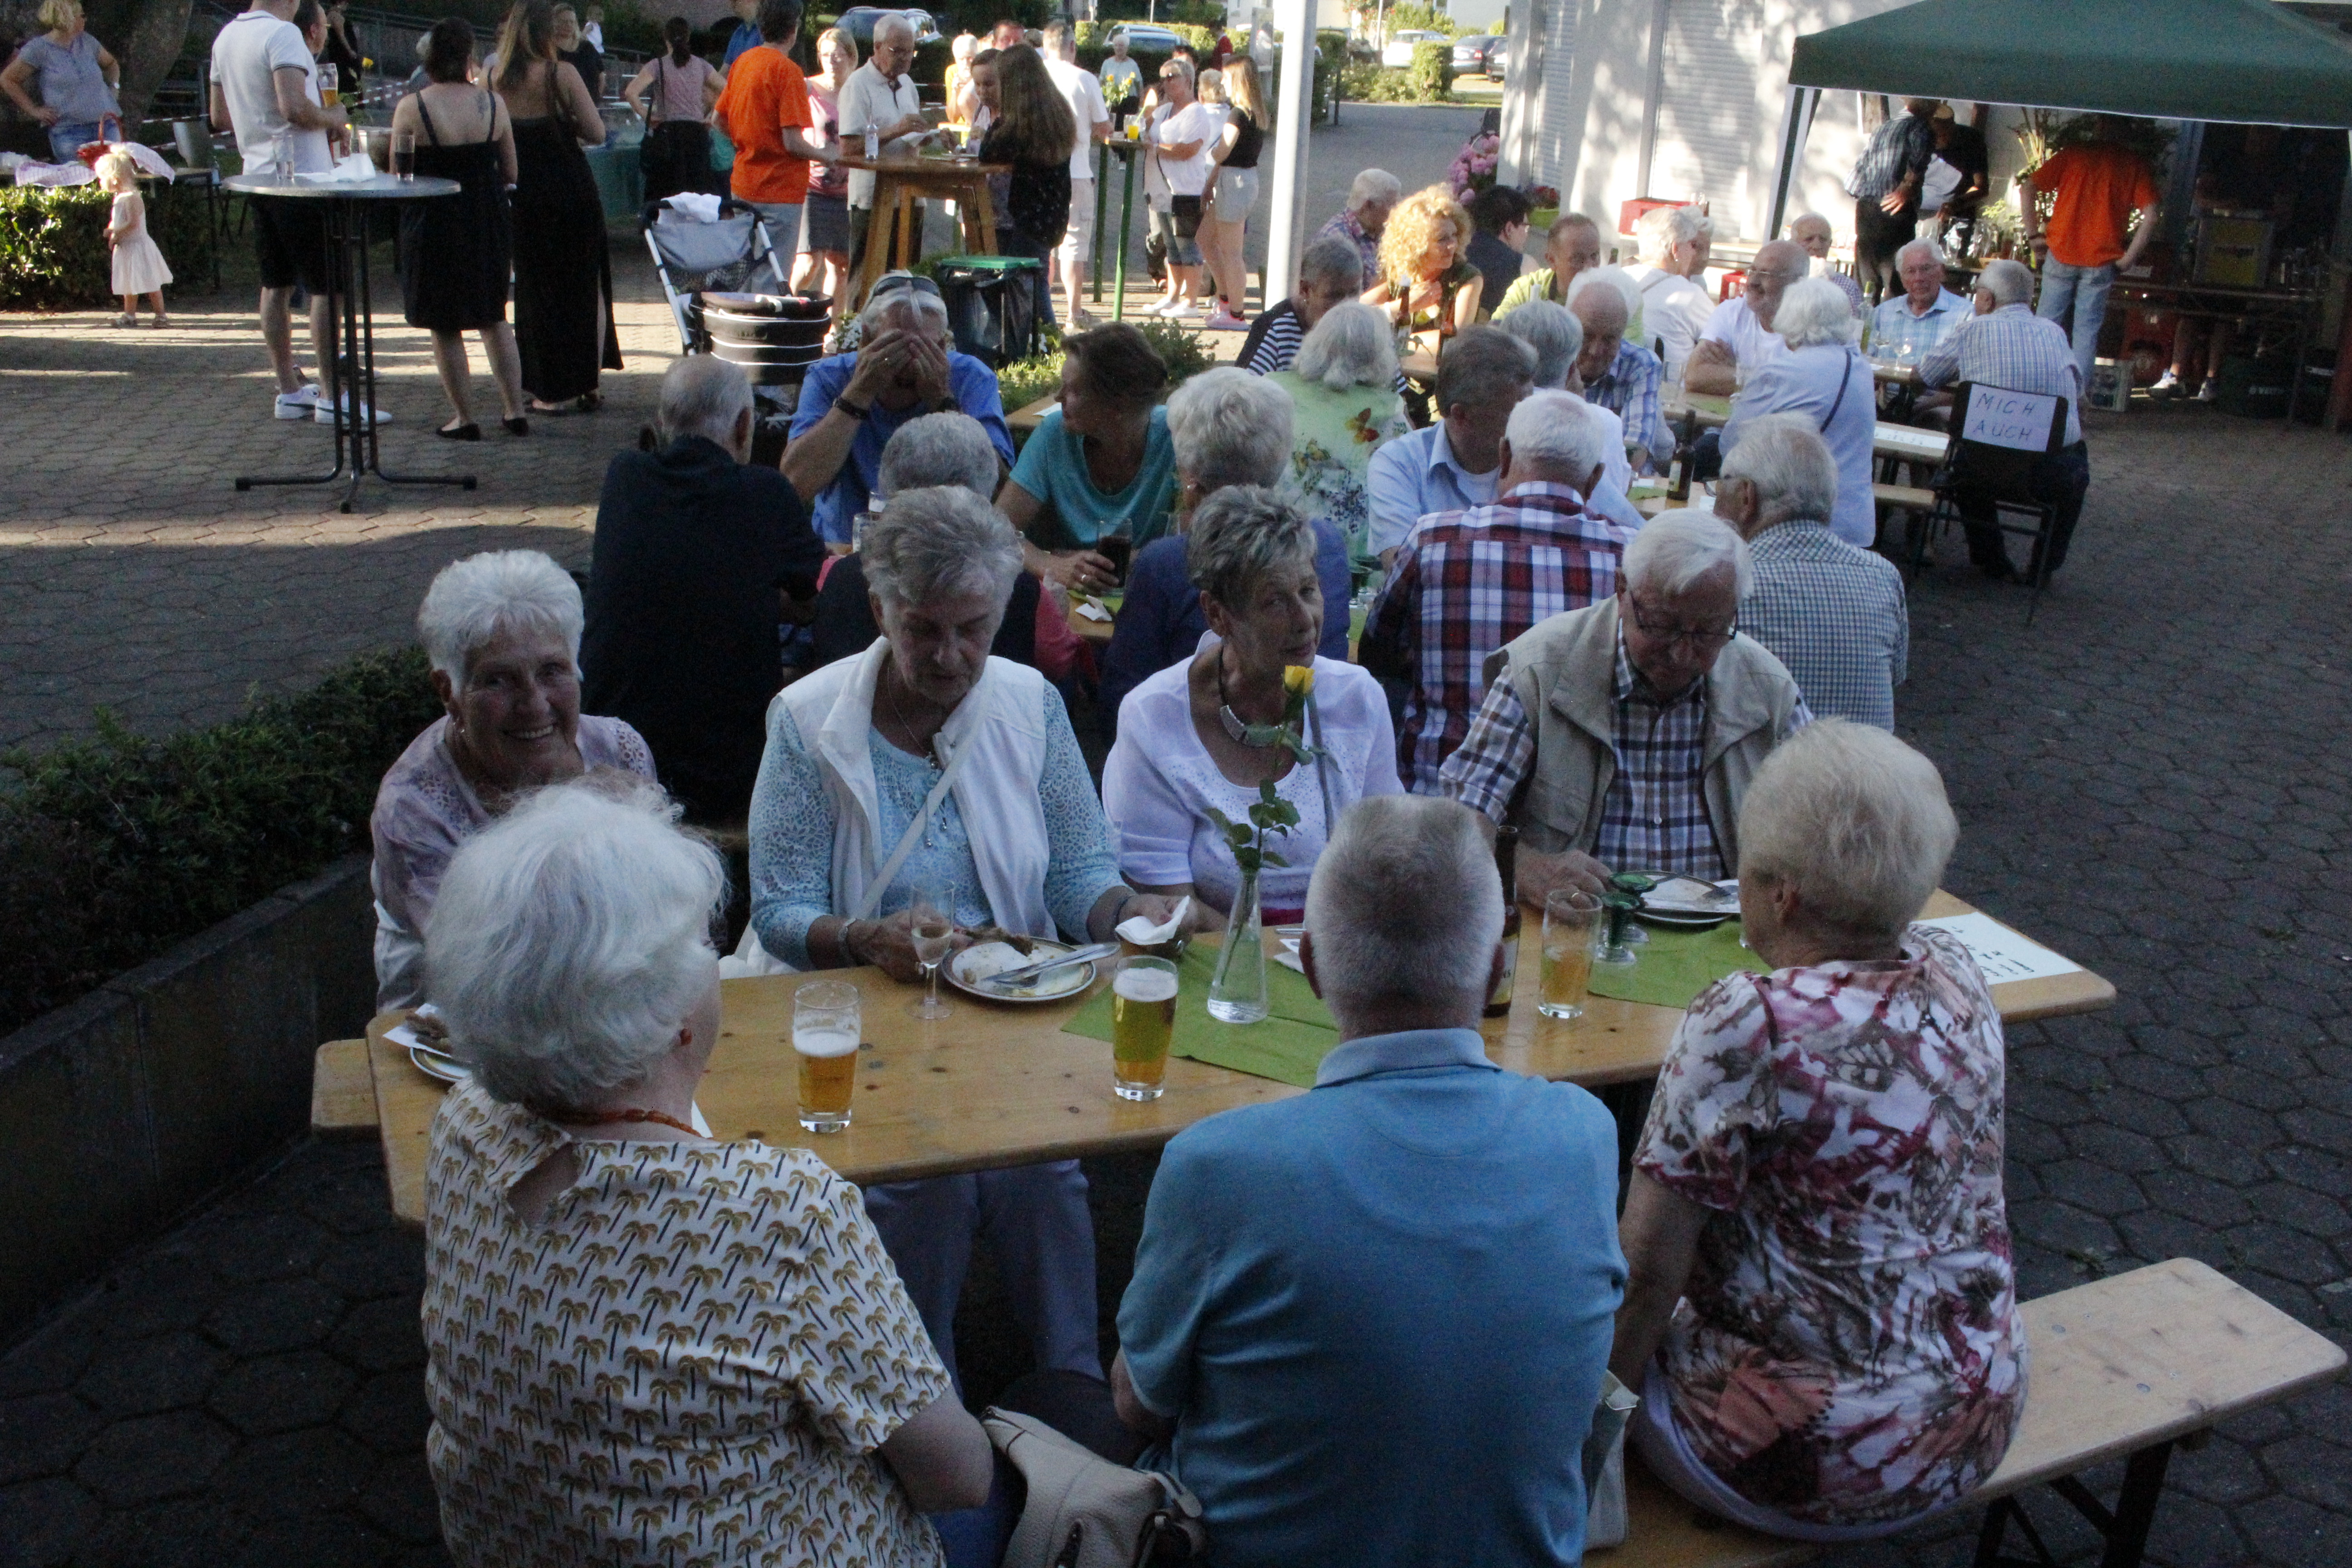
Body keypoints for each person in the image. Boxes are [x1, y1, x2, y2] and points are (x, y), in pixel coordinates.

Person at [418, 781, 994, 1567]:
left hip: (522, 1546)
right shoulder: (775, 1215)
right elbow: (956, 1477)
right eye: (699, 946)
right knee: (1036, 1474)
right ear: (669, 1007)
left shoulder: (462, 1130)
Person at [1113, 792, 1626, 1565]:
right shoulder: (1582, 1134)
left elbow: (1138, 1405)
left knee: (1050, 1400)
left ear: (1312, 967)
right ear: (1493, 971)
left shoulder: (1218, 1166)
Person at [745, 489, 1185, 1391]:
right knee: (924, 1184)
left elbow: (1076, 875)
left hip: (1006, 1015)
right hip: (861, 1027)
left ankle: (1072, 1384)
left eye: (973, 629)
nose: (950, 656)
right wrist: (868, 937)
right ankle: (921, 1389)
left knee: (1046, 1173)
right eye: (923, 630)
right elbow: (778, 911)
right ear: (879, 613)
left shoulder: (1030, 704)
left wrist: (1132, 918)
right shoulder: (807, 720)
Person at [1612, 720, 2022, 1539]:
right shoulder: (1958, 972)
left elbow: (1649, 1272)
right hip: (1975, 1413)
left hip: (1809, 1459)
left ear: (1779, 893)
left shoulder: (1746, 1021)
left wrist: (1585, 1431)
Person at [1440, 510, 1810, 908]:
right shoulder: (1543, 670)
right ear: (1621, 589)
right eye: (1662, 626)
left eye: (1707, 631)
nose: (1683, 654)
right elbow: (1462, 816)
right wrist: (1523, 867)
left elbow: (1820, 825)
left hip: (1723, 936)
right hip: (1578, 926)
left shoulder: (1767, 688)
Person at [369, 550, 657, 1009]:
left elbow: (676, 919)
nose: (535, 703)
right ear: (450, 693)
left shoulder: (619, 750)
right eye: (499, 680)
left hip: (616, 1013)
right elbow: (495, 967)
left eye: (552, 671)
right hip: (461, 1035)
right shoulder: (415, 807)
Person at [1102, 488, 1401, 924]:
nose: (1306, 620)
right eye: (1274, 601)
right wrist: (1265, 958)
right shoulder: (1154, 717)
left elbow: (1386, 870)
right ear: (1218, 615)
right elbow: (1170, 917)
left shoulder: (1359, 700)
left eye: (1308, 589)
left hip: (1341, 960)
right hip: (1212, 972)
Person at [580, 356, 824, 823]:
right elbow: (812, 597)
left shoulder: (625, 478)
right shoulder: (764, 492)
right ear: (745, 425)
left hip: (613, 763)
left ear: (662, 423)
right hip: (727, 779)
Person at [1364, 390, 1626, 794]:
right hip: (1568, 814)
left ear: (1504, 457)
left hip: (1441, 797)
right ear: (1594, 479)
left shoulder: (1434, 537)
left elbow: (1377, 651)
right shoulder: (1629, 557)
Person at [1096, 368, 1357, 723]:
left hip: (1203, 744)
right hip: (1313, 734)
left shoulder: (1168, 561)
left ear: (1190, 475)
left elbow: (1123, 697)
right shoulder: (1325, 541)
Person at [812, 413, 1084, 681]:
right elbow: (1058, 663)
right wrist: (1056, 615)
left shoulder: (835, 574)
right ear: (985, 494)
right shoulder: (1022, 588)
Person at [208, 0, 360, 424]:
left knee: (274, 283)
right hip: (304, 180)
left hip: (258, 173)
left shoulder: (227, 36)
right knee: (327, 287)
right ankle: (333, 397)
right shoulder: (283, 34)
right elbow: (294, 108)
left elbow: (220, 116)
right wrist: (335, 116)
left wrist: (259, 126)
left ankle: (289, 390)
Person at [784, 273, 1014, 547]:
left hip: (942, 551)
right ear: (866, 341)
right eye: (895, 347)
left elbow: (1001, 490)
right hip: (848, 551)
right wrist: (859, 393)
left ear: (942, 346)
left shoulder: (971, 378)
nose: (909, 363)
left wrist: (944, 402)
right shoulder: (829, 377)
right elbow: (794, 485)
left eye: (925, 348)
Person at [1715, 415, 1908, 730]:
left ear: (1746, 497)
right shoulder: (1883, 575)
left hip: (1773, 774)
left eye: (1720, 486)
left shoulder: (1730, 582)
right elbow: (1895, 678)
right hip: (1873, 771)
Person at [391, 20, 527, 441]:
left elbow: (400, 175)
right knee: (494, 317)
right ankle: (515, 410)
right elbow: (511, 171)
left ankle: (464, 417)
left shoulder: (412, 107)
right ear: (470, 57)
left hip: (434, 223)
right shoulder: (493, 104)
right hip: (486, 218)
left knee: (444, 324)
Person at [1917, 259, 2090, 582]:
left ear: (1988, 299)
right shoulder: (2055, 333)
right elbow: (2079, 397)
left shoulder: (1972, 329)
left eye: (1978, 295)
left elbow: (1925, 375)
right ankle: (2043, 568)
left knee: (1966, 458)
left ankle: (1991, 557)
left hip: (1980, 471)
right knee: (2077, 469)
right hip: (2050, 474)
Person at [494, 0, 617, 416]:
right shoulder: (559, 73)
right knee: (584, 285)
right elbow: (597, 131)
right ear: (546, 34)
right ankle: (587, 382)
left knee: (534, 288)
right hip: (570, 190)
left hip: (523, 193)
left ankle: (543, 384)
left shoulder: (493, 78)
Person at [997, 321, 1178, 590]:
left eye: (1074, 390)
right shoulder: (1054, 435)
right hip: (1072, 604)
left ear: (1118, 405)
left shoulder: (1176, 437)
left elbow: (1201, 545)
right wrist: (1054, 565)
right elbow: (995, 529)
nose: (1058, 397)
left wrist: (1144, 561)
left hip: (1151, 592)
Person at [1720, 277, 1876, 549]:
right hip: (1854, 520)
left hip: (1791, 526)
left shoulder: (1781, 371)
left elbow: (1732, 446)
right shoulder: (1861, 368)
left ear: (1789, 317)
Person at [1364, 324, 1533, 566]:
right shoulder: (1400, 462)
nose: (1530, 423)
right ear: (1461, 416)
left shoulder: (1540, 461)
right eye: (1517, 415)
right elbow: (1402, 571)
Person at [2020, 117, 2161, 396]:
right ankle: (2075, 401)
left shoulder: (2074, 154)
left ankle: (2033, 391)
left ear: (2098, 127)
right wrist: (2129, 257)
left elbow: (2027, 188)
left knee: (2046, 325)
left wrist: (2034, 235)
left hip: (2061, 251)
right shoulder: (2132, 163)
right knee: (2086, 333)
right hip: (2102, 258)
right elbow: (2153, 213)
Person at [1266, 300, 1410, 567]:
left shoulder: (1272, 389)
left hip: (1274, 542)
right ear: (1379, 355)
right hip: (1355, 561)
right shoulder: (1389, 410)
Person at [713, 0, 828, 265]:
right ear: (794, 29)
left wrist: (746, 143)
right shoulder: (788, 72)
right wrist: (827, 155)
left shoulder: (742, 62)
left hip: (744, 183)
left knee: (744, 269)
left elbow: (718, 119)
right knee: (772, 274)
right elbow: (793, 143)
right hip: (780, 191)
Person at [979, 43, 1076, 328]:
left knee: (1025, 287)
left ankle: (1044, 347)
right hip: (1053, 211)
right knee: (1036, 281)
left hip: (1027, 215)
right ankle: (1044, 346)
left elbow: (988, 152)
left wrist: (997, 119)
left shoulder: (1018, 122)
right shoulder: (1057, 110)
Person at [838, 11, 927, 279]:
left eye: (910, 51)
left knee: (907, 276)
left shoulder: (907, 83)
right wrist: (895, 131)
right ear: (877, 47)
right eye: (897, 51)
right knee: (868, 277)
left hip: (910, 195)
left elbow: (911, 135)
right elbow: (849, 147)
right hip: (873, 199)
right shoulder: (858, 85)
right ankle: (856, 321)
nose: (905, 58)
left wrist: (931, 135)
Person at [1040, 22, 1109, 328]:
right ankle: (1073, 312)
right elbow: (1104, 125)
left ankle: (1040, 310)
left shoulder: (1035, 77)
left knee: (1040, 241)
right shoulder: (1084, 78)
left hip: (1039, 169)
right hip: (1076, 169)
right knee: (1074, 244)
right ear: (1072, 47)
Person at [1568, 270, 1672, 467]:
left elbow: (1635, 455)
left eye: (1609, 339)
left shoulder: (1641, 365)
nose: (1595, 350)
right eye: (1587, 335)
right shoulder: (1554, 357)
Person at [1365, 183, 1480, 354]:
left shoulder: (1466, 278)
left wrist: (1396, 344)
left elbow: (1455, 338)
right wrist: (1404, 306)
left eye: (1455, 235)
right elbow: (1355, 315)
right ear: (1416, 245)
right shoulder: (1398, 273)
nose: (1452, 245)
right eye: (1442, 239)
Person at [1684, 238, 1806, 397]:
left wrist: (1737, 372)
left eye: (1766, 274)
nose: (1753, 282)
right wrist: (1757, 377)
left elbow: (1801, 387)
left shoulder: (1812, 326)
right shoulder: (1731, 311)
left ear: (1796, 284)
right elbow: (1694, 378)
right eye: (1753, 271)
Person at [1142, 57, 1215, 319]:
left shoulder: (1196, 112)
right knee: (1170, 246)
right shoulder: (1164, 111)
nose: (1167, 82)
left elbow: (1188, 150)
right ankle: (1172, 296)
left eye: (1172, 77)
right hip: (1161, 188)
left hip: (1186, 189)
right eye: (1164, 78)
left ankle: (1192, 300)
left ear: (1188, 80)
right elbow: (1144, 129)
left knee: (1188, 245)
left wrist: (1157, 149)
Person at [1846, 97, 1938, 304]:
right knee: (1896, 281)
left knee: (1866, 282)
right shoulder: (1921, 127)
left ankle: (1863, 327)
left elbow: (1856, 175)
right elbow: (1918, 165)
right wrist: (1907, 189)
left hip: (1867, 208)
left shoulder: (1885, 127)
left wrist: (1863, 194)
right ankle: (1889, 330)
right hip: (1895, 209)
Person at [622, 17, 722, 206]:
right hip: (696, 134)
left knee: (665, 193)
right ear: (688, 37)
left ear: (665, 38)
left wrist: (648, 116)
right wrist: (711, 117)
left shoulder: (658, 65)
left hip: (668, 134)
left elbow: (631, 92)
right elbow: (727, 90)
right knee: (699, 193)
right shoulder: (701, 65)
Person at [1197, 55, 1265, 332]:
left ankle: (1236, 312)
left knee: (1231, 252)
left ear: (1237, 79)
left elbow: (1223, 150)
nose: (1222, 81)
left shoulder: (1239, 113)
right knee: (1204, 238)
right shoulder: (1254, 111)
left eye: (1226, 77)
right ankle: (1226, 299)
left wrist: (1212, 154)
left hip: (1236, 182)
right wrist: (1210, 181)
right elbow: (1227, 157)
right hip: (1233, 179)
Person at [3, 0, 119, 162]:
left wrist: (114, 86)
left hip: (105, 126)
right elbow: (8, 80)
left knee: (114, 176)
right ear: (69, 19)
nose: (85, 20)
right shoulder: (39, 49)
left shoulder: (88, 41)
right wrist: (34, 110)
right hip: (69, 132)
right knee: (78, 181)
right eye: (82, 16)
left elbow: (111, 64)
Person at [1237, 234, 1362, 376]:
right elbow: (1245, 389)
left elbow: (1391, 387)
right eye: (1334, 296)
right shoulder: (1274, 328)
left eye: (1354, 293)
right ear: (1305, 290)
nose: (1346, 305)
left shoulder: (1367, 328)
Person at [794, 25, 855, 298]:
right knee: (809, 263)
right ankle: (786, 311)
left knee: (841, 266)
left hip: (848, 191)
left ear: (851, 56)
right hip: (812, 188)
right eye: (825, 54)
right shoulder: (807, 87)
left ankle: (833, 334)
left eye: (838, 54)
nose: (832, 61)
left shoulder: (858, 91)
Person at [1627, 202, 1715, 379]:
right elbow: (1723, 344)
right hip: (1668, 395)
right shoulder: (1690, 295)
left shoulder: (1617, 278)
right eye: (1691, 246)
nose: (1695, 254)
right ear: (1675, 249)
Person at [96, 147, 168, 328]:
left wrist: (116, 233)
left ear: (114, 178)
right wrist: (111, 229)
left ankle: (161, 315)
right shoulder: (119, 198)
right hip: (127, 248)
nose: (100, 182)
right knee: (128, 283)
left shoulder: (131, 198)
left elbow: (132, 223)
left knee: (151, 282)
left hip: (138, 247)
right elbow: (117, 220)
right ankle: (130, 315)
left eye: (101, 178)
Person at [1866, 237, 1967, 363]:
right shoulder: (1882, 313)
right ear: (1902, 279)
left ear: (1941, 271)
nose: (1919, 278)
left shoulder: (1965, 316)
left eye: (1926, 269)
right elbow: (1866, 360)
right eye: (1911, 271)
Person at [1493, 211, 1601, 319]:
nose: (1590, 267)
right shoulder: (1527, 291)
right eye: (1578, 259)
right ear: (1552, 261)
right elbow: (1496, 331)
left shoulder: (1609, 296)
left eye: (1594, 256)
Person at [1315, 167, 1399, 285]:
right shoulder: (1338, 240)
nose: (1396, 212)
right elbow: (1347, 300)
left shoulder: (1377, 230)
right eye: (1392, 205)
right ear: (1369, 206)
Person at [1926, 103, 1989, 259]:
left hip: (1956, 221)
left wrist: (1954, 205)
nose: (1938, 139)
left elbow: (1981, 187)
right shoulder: (1920, 139)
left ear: (1953, 128)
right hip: (1920, 219)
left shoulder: (1970, 140)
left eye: (1943, 134)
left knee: (1950, 268)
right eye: (1934, 135)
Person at [1465, 183, 1532, 318]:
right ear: (1509, 229)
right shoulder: (1523, 264)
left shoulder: (1457, 252)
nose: (1526, 234)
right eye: (1526, 227)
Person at [1786, 211, 1865, 317]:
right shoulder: (1782, 282)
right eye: (1809, 239)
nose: (1817, 246)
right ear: (1793, 243)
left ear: (1830, 244)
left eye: (1823, 240)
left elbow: (1855, 328)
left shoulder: (1846, 288)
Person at [550, 4, 600, 93]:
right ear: (555, 23)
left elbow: (601, 75)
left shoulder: (587, 48)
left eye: (572, 22)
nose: (568, 25)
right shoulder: (548, 49)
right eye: (564, 22)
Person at [1098, 27, 1140, 112]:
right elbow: (1101, 82)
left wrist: (1140, 103)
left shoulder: (1133, 65)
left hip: (1129, 103)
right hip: (1111, 102)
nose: (1118, 48)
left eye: (1121, 46)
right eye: (1116, 46)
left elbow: (1139, 85)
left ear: (1127, 48)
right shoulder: (1107, 63)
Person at [718, 0, 760, 68]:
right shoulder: (738, 33)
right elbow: (726, 68)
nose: (733, 6)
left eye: (736, 1)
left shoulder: (766, 32)